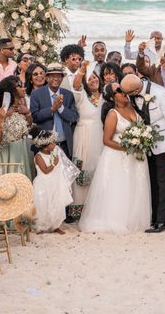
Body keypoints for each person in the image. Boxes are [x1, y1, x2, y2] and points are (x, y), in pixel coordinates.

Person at [79, 83, 152, 234]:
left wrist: (142, 141)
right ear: (113, 97)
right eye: (119, 91)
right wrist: (128, 147)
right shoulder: (113, 114)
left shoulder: (133, 108)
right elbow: (106, 140)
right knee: (120, 186)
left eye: (124, 90)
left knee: (135, 184)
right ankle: (117, 219)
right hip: (118, 156)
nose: (124, 93)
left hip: (136, 156)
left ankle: (134, 219)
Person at [120, 74, 165, 233]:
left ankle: (162, 222)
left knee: (163, 183)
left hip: (164, 145)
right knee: (151, 182)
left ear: (136, 89)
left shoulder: (161, 94)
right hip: (146, 145)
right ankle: (153, 218)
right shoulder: (133, 94)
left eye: (130, 94)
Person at [69, 61, 104, 219]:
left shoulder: (105, 96)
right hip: (83, 136)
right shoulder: (81, 96)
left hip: (101, 138)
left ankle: (96, 207)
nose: (93, 80)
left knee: (98, 170)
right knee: (81, 170)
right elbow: (76, 84)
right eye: (90, 79)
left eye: (95, 77)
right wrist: (82, 70)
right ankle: (78, 210)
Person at [32, 128, 80, 234]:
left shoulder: (54, 153)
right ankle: (42, 226)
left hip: (54, 183)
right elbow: (45, 170)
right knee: (43, 204)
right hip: (43, 184)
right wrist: (54, 163)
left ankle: (55, 225)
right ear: (45, 146)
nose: (54, 144)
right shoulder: (39, 156)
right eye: (52, 143)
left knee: (56, 203)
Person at [30, 63, 79, 161]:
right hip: (44, 145)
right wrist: (52, 109)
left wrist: (60, 108)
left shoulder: (68, 94)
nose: (56, 78)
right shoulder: (36, 94)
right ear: (47, 78)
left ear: (62, 78)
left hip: (64, 144)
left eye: (59, 76)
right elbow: (34, 117)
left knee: (65, 175)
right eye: (52, 76)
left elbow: (74, 117)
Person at [0, 76, 33, 178]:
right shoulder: (4, 109)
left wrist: (28, 113)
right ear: (11, 90)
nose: (24, 89)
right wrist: (5, 116)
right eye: (20, 86)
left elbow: (28, 126)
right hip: (9, 152)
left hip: (22, 148)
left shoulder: (22, 105)